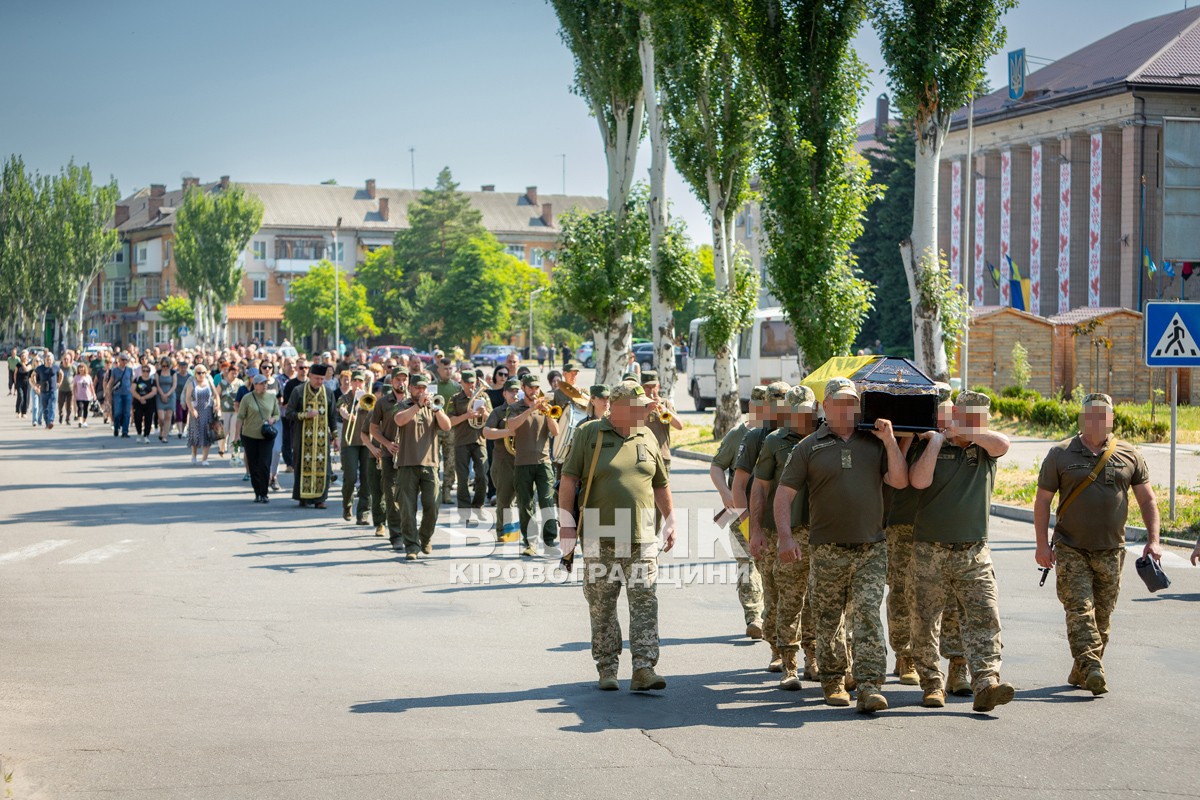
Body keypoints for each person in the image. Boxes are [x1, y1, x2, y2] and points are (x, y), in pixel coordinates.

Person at [774, 377, 908, 714]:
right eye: (839, 403)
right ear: (825, 407)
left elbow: (900, 481)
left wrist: (891, 442)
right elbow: (783, 495)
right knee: (829, 618)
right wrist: (786, 537)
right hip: (827, 548)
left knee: (866, 615)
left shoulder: (874, 441)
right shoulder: (808, 447)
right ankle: (833, 680)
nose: (846, 409)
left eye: (852, 403)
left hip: (871, 547)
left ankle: (869, 685)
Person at [1034, 392, 1161, 696]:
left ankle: (1081, 671)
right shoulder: (1061, 453)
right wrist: (1042, 545)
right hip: (1070, 547)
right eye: (1091, 414)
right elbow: (1042, 502)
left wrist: (1153, 541)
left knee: (1101, 618)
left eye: (1103, 415)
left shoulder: (1129, 455)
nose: (1097, 420)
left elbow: (1147, 499)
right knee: (1079, 609)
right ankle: (1092, 667)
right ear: (1082, 417)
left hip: (1112, 550)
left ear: (1112, 419)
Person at [558, 380, 675, 692]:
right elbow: (568, 480)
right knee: (602, 604)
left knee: (645, 600)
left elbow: (660, 483)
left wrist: (671, 519)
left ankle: (644, 668)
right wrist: (566, 524)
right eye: (637, 408)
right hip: (600, 534)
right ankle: (607, 668)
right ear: (618, 407)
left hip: (642, 535)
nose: (644, 413)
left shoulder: (647, 434)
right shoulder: (589, 433)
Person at [907, 390, 1016, 713]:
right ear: (955, 413)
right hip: (930, 550)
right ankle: (931, 683)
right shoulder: (931, 443)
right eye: (967, 416)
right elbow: (918, 481)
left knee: (984, 615)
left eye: (979, 418)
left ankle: (986, 682)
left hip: (974, 551)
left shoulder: (985, 449)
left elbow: (1003, 444)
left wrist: (969, 432)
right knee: (925, 621)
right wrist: (939, 442)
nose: (973, 423)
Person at [885, 395, 971, 695]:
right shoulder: (907, 434)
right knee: (901, 591)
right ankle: (905, 654)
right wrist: (908, 435)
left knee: (950, 598)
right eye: (934, 412)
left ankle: (957, 666)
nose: (939, 418)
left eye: (944, 412)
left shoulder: (957, 440)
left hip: (942, 528)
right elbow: (897, 476)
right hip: (902, 523)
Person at [749, 385, 820, 692]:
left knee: (818, 601)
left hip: (822, 532)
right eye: (797, 412)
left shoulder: (826, 437)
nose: (803, 418)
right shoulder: (774, 442)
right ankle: (788, 662)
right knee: (789, 599)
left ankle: (814, 658)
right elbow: (760, 488)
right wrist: (754, 530)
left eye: (807, 411)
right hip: (789, 530)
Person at [733, 382, 788, 665]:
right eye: (774, 403)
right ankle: (778, 652)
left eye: (783, 402)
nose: (779, 408)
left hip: (799, 527)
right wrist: (749, 527)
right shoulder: (756, 437)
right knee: (773, 590)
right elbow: (739, 484)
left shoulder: (801, 434)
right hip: (766, 526)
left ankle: (810, 654)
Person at [709, 385, 767, 643]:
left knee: (771, 565)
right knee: (747, 563)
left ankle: (770, 614)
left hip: (772, 511)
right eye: (758, 406)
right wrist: (725, 494)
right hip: (741, 510)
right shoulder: (738, 435)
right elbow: (716, 466)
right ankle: (754, 617)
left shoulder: (781, 434)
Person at [393, 373, 451, 559]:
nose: (421, 391)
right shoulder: (403, 405)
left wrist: (436, 409)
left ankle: (424, 538)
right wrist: (418, 406)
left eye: (423, 388)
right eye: (417, 388)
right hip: (407, 463)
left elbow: (447, 426)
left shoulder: (433, 406)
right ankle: (411, 546)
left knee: (433, 505)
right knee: (407, 508)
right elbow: (399, 420)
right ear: (410, 389)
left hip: (430, 463)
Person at [506, 373, 561, 558]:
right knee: (525, 503)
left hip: (544, 462)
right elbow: (512, 426)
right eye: (530, 387)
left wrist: (548, 415)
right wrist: (530, 410)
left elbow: (555, 432)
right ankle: (530, 542)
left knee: (547, 501)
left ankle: (550, 541)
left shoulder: (546, 408)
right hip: (522, 462)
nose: (534, 391)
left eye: (536, 387)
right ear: (523, 388)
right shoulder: (515, 407)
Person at [286, 363, 336, 508]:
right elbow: (289, 413)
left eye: (322, 379)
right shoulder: (298, 391)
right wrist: (305, 415)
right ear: (309, 376)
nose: (319, 382)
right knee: (301, 465)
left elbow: (332, 417)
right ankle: (303, 497)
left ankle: (320, 499)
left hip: (322, 439)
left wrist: (336, 437)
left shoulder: (328, 392)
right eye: (316, 379)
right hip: (302, 437)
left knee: (323, 468)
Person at [370, 368, 411, 545]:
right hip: (389, 455)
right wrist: (386, 444)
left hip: (410, 455)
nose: (401, 383)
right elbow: (373, 429)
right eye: (398, 380)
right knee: (391, 495)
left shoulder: (414, 400)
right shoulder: (382, 402)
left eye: (404, 379)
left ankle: (409, 532)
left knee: (408, 496)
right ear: (391, 381)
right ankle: (396, 535)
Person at [482, 378, 523, 543]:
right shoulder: (498, 412)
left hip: (523, 459)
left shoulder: (526, 410)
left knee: (525, 500)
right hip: (503, 461)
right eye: (511, 391)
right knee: (504, 500)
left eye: (516, 391)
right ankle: (503, 532)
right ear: (504, 393)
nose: (514, 394)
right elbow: (487, 432)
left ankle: (524, 532)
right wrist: (507, 432)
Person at [449, 371, 491, 521]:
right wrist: (467, 416)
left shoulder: (483, 397)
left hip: (479, 440)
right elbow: (450, 422)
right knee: (462, 478)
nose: (471, 385)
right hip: (461, 442)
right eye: (467, 383)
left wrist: (484, 413)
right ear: (461, 383)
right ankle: (464, 512)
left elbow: (491, 419)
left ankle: (478, 506)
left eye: (473, 382)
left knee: (482, 475)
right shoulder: (455, 399)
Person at [338, 372, 378, 526]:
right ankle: (347, 505)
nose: (357, 384)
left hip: (366, 442)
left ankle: (363, 513)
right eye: (354, 381)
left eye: (360, 382)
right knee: (350, 477)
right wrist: (347, 414)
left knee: (367, 479)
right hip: (350, 442)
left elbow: (374, 412)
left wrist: (363, 401)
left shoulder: (368, 397)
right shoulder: (345, 397)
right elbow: (341, 409)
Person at [237, 374, 281, 503]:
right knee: (254, 465)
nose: (264, 386)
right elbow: (240, 417)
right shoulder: (247, 398)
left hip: (266, 436)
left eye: (266, 383)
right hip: (249, 435)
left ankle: (264, 492)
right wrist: (235, 436)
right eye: (261, 383)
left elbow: (277, 414)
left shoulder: (272, 397)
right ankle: (257, 492)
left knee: (264, 464)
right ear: (255, 385)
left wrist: (273, 419)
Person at [641, 372, 683, 477]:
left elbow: (679, 426)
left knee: (663, 492)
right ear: (641, 387)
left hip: (662, 456)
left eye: (653, 387)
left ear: (658, 387)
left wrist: (664, 410)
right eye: (647, 387)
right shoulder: (636, 404)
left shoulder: (665, 403)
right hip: (643, 457)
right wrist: (647, 408)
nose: (651, 391)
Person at [431, 358, 460, 504]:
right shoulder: (432, 387)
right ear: (438, 369)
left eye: (450, 368)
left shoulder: (457, 387)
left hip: (451, 429)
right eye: (445, 369)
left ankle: (447, 490)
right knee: (434, 460)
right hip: (434, 429)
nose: (448, 371)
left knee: (451, 461)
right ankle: (433, 488)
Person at [185, 365, 218, 465]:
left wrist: (217, 406)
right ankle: (194, 454)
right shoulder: (192, 384)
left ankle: (204, 459)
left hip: (208, 411)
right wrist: (192, 410)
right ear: (195, 374)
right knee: (196, 434)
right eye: (199, 373)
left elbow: (216, 395)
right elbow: (187, 399)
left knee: (207, 435)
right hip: (196, 411)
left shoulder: (209, 382)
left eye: (203, 372)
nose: (201, 375)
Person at [33, 351, 62, 429]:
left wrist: (59, 382)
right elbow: (33, 375)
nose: (49, 361)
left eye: (50, 360)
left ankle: (51, 421)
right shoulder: (40, 368)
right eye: (47, 359)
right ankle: (47, 422)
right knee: (45, 408)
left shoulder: (55, 367)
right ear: (45, 360)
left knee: (52, 406)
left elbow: (61, 374)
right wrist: (36, 384)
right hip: (43, 391)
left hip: (53, 390)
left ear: (52, 360)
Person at [131, 362, 157, 443]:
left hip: (149, 402)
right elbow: (132, 390)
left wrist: (144, 398)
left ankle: (146, 435)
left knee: (148, 419)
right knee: (137, 418)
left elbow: (154, 391)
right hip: (138, 402)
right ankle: (139, 433)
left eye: (147, 371)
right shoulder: (137, 379)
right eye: (144, 370)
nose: (145, 372)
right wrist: (140, 398)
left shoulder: (152, 381)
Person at [155, 358, 178, 443]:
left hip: (171, 395)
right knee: (161, 418)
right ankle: (161, 429)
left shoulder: (173, 373)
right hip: (160, 395)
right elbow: (157, 385)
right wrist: (162, 394)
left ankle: (165, 435)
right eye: (163, 366)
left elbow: (174, 385)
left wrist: (167, 394)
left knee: (168, 417)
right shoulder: (158, 373)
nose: (165, 368)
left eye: (167, 366)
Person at [72, 363, 95, 427]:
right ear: (78, 369)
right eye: (80, 368)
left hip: (87, 396)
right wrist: (73, 394)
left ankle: (84, 421)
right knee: (80, 408)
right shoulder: (76, 377)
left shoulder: (88, 377)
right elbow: (74, 386)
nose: (81, 369)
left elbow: (91, 386)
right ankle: (80, 420)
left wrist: (94, 394)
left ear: (85, 368)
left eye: (82, 368)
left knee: (85, 409)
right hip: (79, 396)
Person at [57, 353, 76, 426]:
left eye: (67, 359)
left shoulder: (72, 368)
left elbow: (75, 376)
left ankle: (68, 418)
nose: (66, 360)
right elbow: (56, 376)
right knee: (60, 404)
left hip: (70, 389)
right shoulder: (60, 367)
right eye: (64, 359)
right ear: (62, 360)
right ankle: (61, 414)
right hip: (61, 389)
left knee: (69, 405)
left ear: (70, 360)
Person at [14, 351, 32, 418]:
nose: (22, 357)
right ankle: (18, 411)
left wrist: (23, 364)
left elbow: (26, 370)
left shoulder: (29, 364)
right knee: (20, 396)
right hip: (19, 382)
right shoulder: (18, 365)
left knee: (26, 397)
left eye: (24, 356)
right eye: (22, 356)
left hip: (27, 382)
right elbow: (15, 374)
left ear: (27, 357)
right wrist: (15, 383)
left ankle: (24, 412)